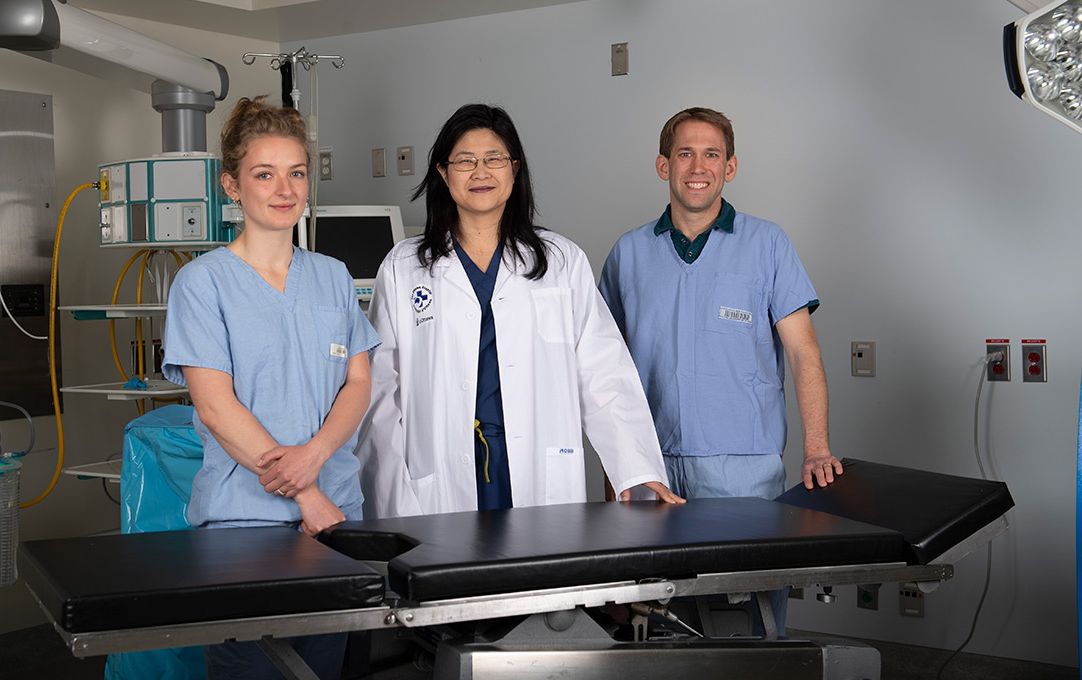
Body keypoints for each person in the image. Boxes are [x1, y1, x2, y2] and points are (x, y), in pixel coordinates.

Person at [355, 103, 680, 519]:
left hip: (535, 467)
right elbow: (381, 392)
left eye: (494, 159)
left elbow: (603, 370)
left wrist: (635, 466)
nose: (481, 172)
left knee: (537, 577)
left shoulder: (561, 261)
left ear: (514, 169)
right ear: (442, 172)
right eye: (464, 161)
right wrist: (391, 492)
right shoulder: (404, 267)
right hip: (441, 473)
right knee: (451, 579)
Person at [598, 106, 840, 633]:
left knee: (748, 614)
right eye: (685, 153)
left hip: (742, 469)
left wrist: (816, 447)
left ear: (730, 167)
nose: (698, 166)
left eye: (712, 154)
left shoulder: (767, 244)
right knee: (656, 615)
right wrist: (614, 465)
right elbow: (600, 369)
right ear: (664, 165)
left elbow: (804, 354)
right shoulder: (628, 254)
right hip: (651, 465)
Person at [162, 96, 379, 680]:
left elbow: (358, 380)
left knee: (327, 666)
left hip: (337, 516)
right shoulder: (201, 283)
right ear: (232, 186)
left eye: (297, 173)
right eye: (265, 174)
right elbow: (215, 405)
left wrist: (315, 459)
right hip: (245, 524)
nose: (284, 189)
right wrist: (306, 492)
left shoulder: (332, 275)